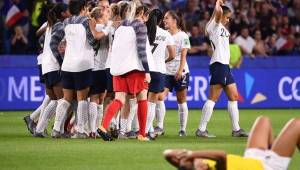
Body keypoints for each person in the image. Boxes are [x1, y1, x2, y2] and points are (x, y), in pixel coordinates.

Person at [51, 0, 108, 138]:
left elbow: (59, 44)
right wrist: (107, 29)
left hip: (67, 65)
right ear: (83, 8)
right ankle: (80, 130)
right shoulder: (87, 20)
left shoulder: (66, 22)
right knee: (82, 99)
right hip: (83, 65)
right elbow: (93, 39)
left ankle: (56, 128)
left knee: (66, 99)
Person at [97, 1, 152, 142]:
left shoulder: (120, 27)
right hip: (134, 68)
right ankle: (142, 134)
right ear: (139, 13)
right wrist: (147, 70)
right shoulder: (139, 26)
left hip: (118, 69)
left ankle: (103, 126)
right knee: (142, 98)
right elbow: (141, 50)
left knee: (119, 100)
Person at [163, 115, 299, 170]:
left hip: (252, 158)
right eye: (194, 161)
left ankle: (273, 151)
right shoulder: (217, 167)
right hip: (268, 167)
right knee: (297, 124)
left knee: (263, 120)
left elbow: (167, 154)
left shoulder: (200, 165)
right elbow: (221, 155)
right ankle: (276, 156)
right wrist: (192, 154)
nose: (197, 159)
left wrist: (186, 156)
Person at [195, 0, 248, 138]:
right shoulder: (215, 25)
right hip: (218, 64)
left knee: (234, 96)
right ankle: (201, 129)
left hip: (225, 66)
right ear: (222, 15)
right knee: (213, 98)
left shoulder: (219, 27)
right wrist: (217, 4)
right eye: (228, 17)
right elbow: (217, 14)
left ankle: (236, 129)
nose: (229, 19)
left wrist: (217, 8)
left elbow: (217, 15)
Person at [34, 2, 71, 138]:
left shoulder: (51, 25)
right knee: (62, 100)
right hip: (54, 66)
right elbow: (53, 44)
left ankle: (39, 129)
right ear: (62, 14)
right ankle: (58, 130)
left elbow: (41, 41)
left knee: (54, 100)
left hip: (46, 65)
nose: (69, 12)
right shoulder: (60, 26)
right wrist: (62, 62)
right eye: (67, 10)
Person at [158, 10, 190, 137]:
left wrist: (180, 70)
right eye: (164, 18)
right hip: (166, 71)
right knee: (160, 97)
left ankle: (182, 129)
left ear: (174, 21)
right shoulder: (164, 35)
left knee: (181, 100)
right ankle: (160, 126)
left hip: (180, 71)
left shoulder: (183, 36)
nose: (164, 20)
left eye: (167, 18)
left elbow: (184, 56)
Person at [144, 8, 175, 139]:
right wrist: (163, 60)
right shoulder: (166, 34)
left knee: (140, 101)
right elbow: (173, 54)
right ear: (161, 20)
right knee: (152, 103)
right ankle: (147, 129)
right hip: (159, 70)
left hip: (144, 70)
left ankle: (134, 129)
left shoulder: (144, 31)